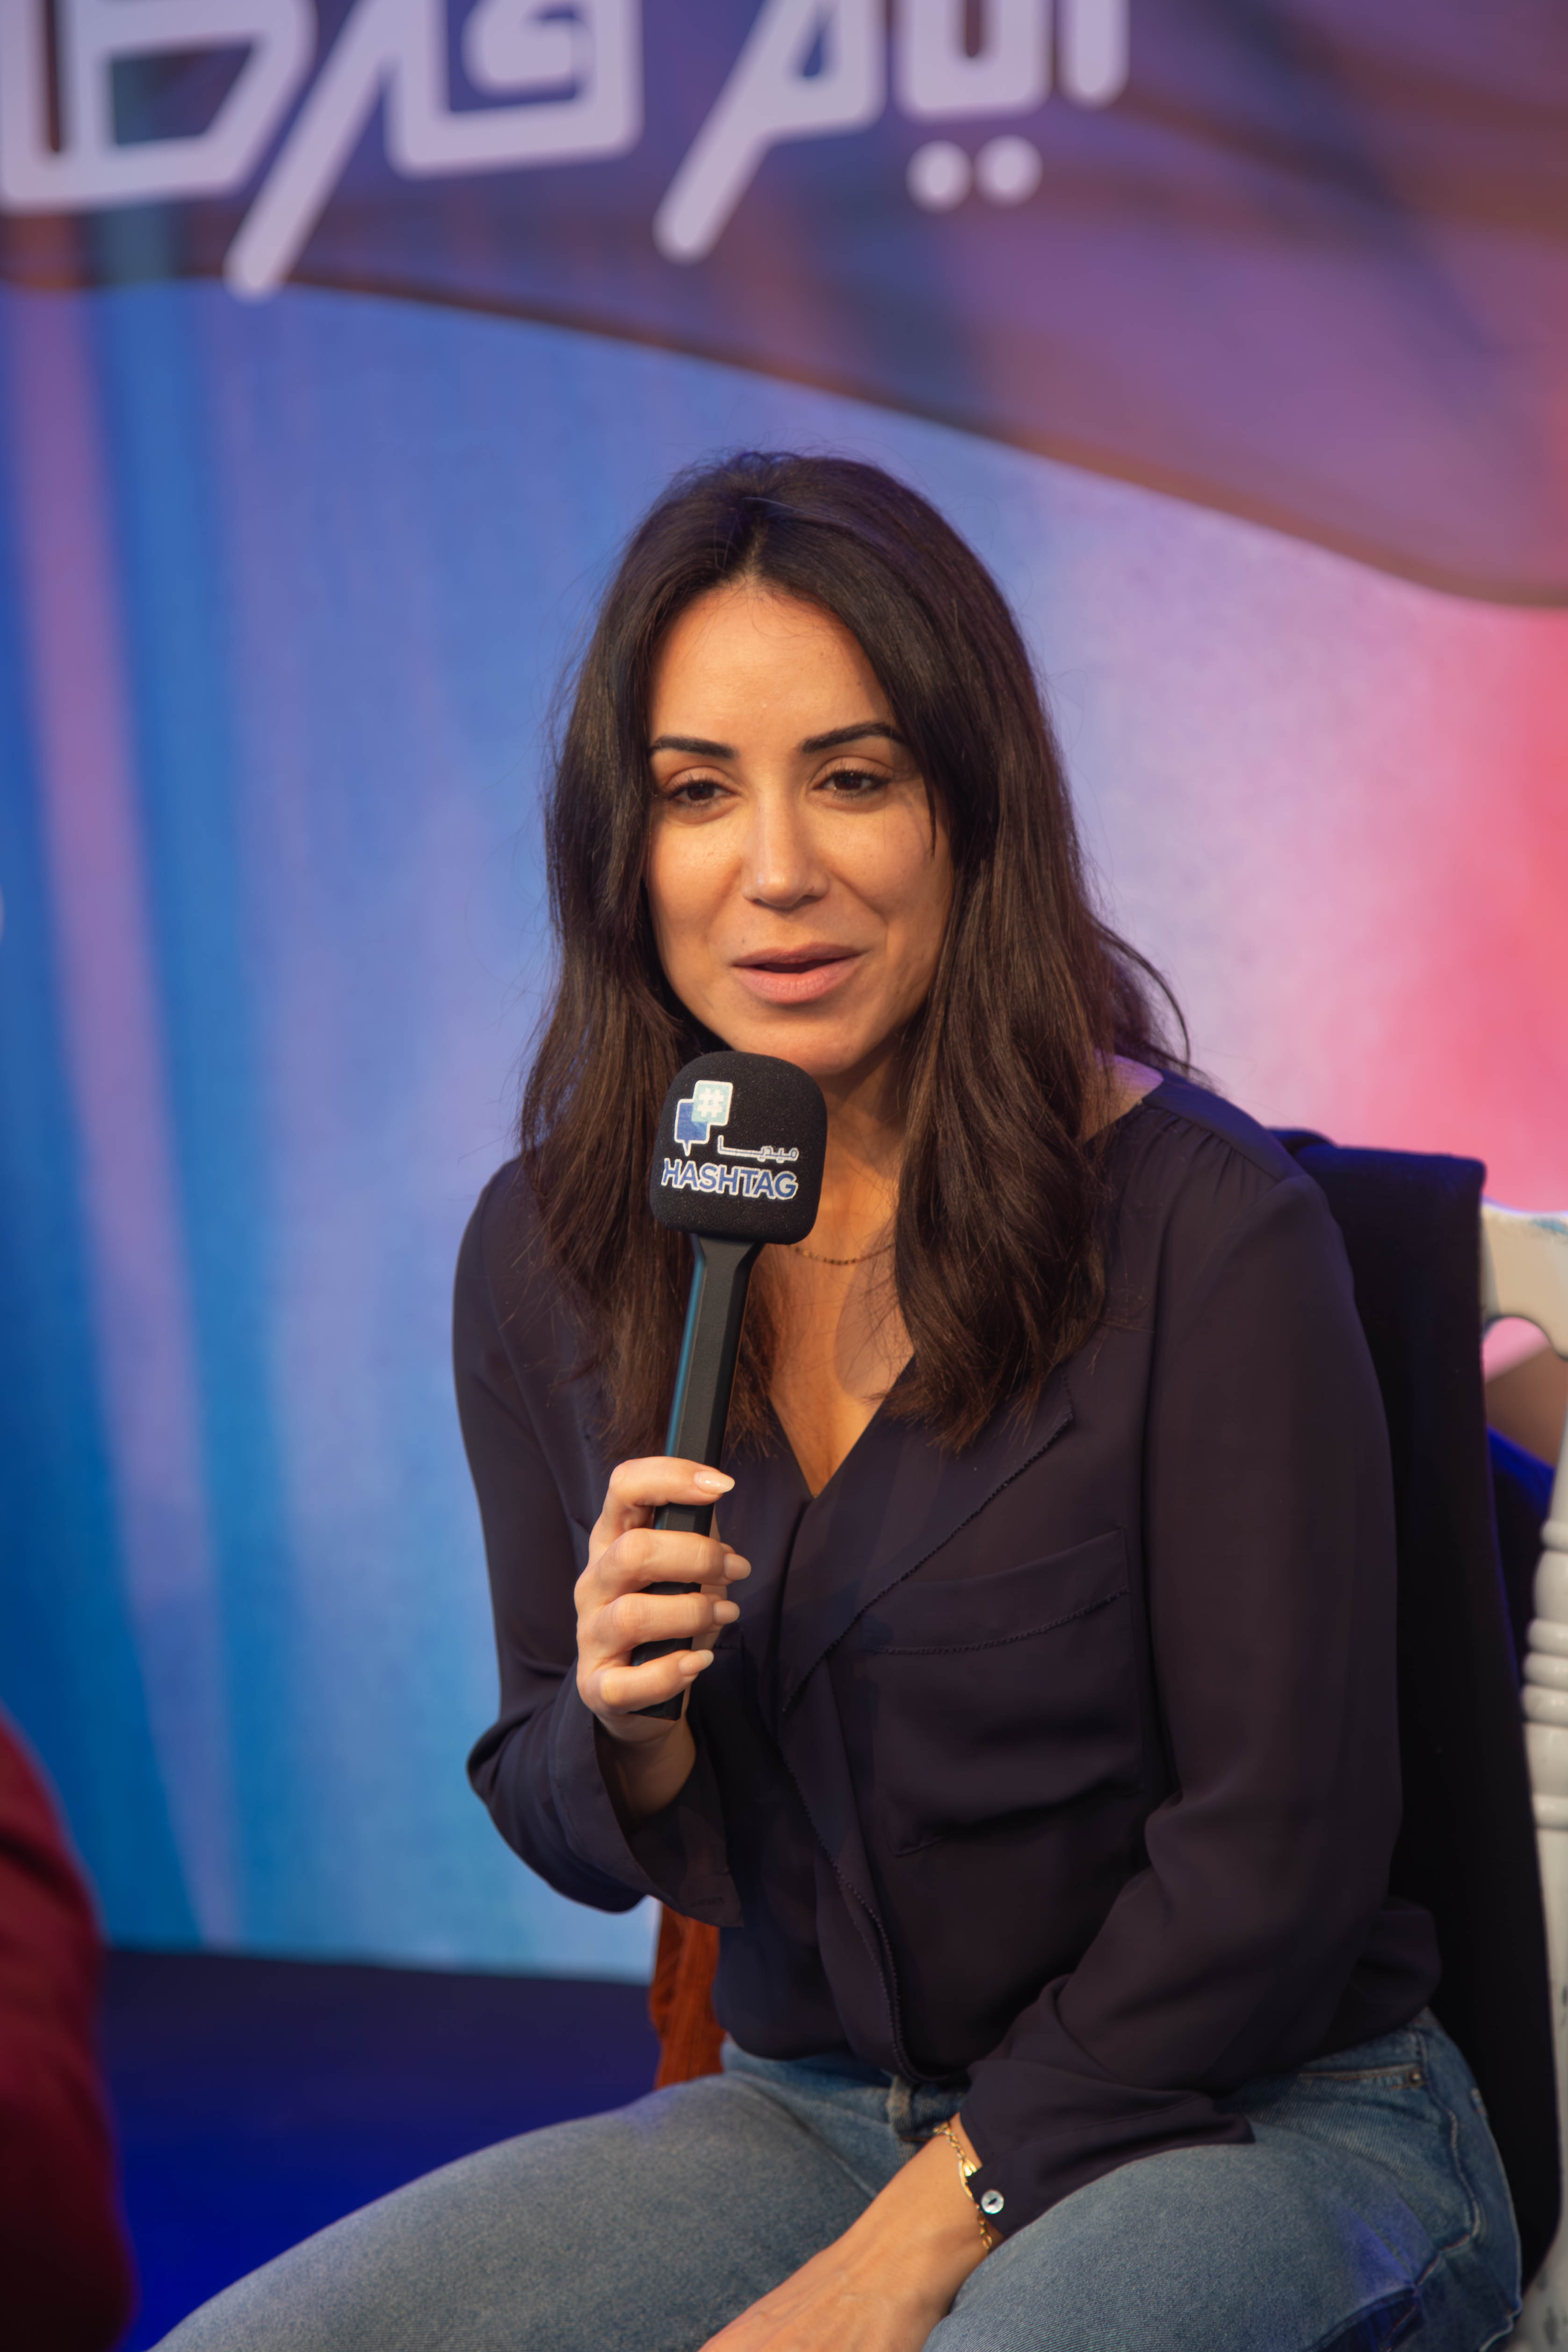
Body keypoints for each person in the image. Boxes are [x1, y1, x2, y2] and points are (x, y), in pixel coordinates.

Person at [157, 453, 1521, 2351]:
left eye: (853, 777)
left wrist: (919, 2243)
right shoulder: (548, 1253)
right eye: (697, 791)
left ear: (970, 807)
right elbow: (557, 1803)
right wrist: (625, 1729)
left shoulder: (1203, 1234)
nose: (776, 869)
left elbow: (1269, 1866)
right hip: (816, 2116)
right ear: (622, 846)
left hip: (1264, 2112)